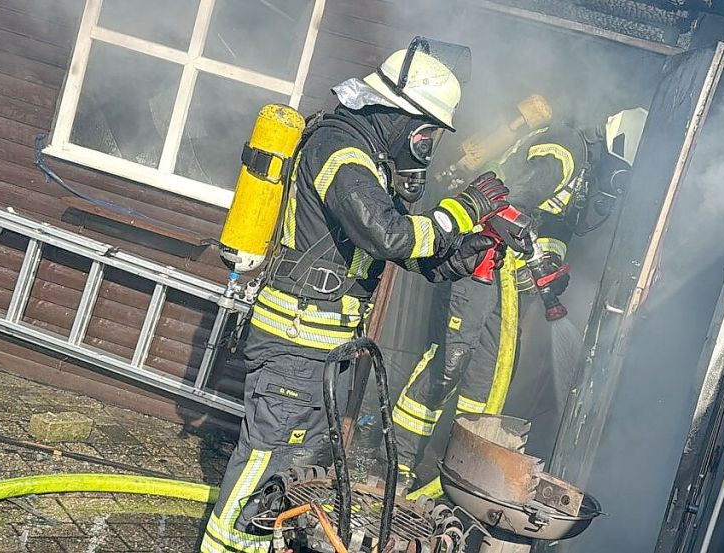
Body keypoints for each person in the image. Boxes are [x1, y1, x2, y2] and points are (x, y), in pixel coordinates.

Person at [201, 38, 511, 553]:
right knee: (267, 459)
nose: (426, 146)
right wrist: (462, 210)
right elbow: (386, 234)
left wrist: (455, 255)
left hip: (326, 349)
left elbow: (390, 251)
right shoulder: (339, 150)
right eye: (426, 132)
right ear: (395, 114)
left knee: (301, 473)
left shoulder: (368, 161)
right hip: (295, 340)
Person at [391, 106, 648, 493]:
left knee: (487, 376)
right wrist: (527, 253)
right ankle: (395, 462)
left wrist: (549, 260)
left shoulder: (581, 175)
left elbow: (555, 224)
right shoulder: (565, 149)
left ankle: (460, 468)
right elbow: (511, 202)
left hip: (501, 274)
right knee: (452, 358)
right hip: (478, 261)